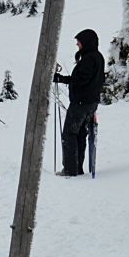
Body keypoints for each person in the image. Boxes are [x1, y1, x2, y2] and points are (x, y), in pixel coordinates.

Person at [53, 28, 105, 177]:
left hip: (81, 103)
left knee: (69, 134)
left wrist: (62, 79)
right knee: (80, 134)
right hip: (90, 103)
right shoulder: (98, 57)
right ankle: (77, 169)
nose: (77, 44)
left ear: (86, 42)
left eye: (79, 42)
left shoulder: (89, 59)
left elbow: (81, 80)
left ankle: (70, 170)